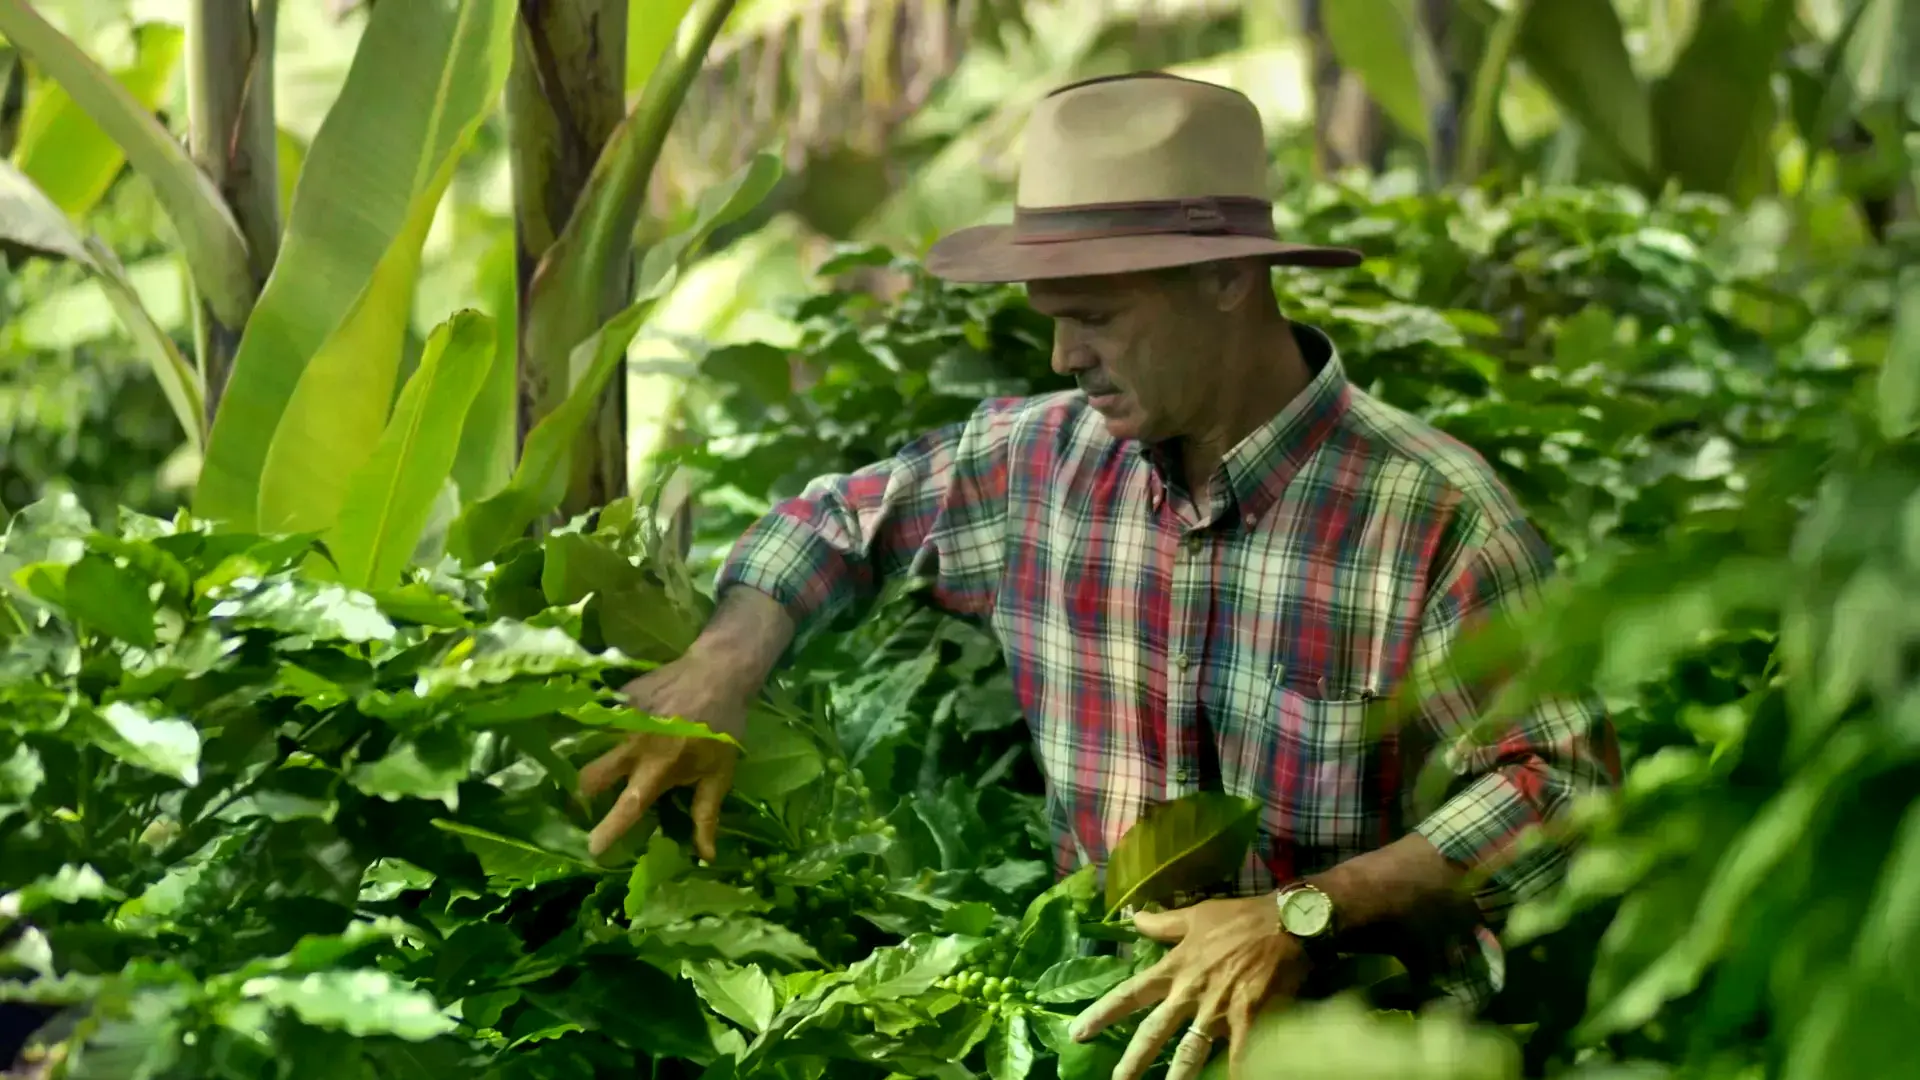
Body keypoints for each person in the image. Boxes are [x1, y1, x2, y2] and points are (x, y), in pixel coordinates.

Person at [579, 71, 1620, 1080]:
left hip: (1364, 1037)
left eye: (1097, 315)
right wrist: (723, 666)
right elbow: (833, 525)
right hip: (1106, 1017)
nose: (1063, 355)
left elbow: (1558, 791)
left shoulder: (1433, 516)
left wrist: (1305, 913)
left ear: (1226, 279)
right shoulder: (1037, 465)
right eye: (1051, 314)